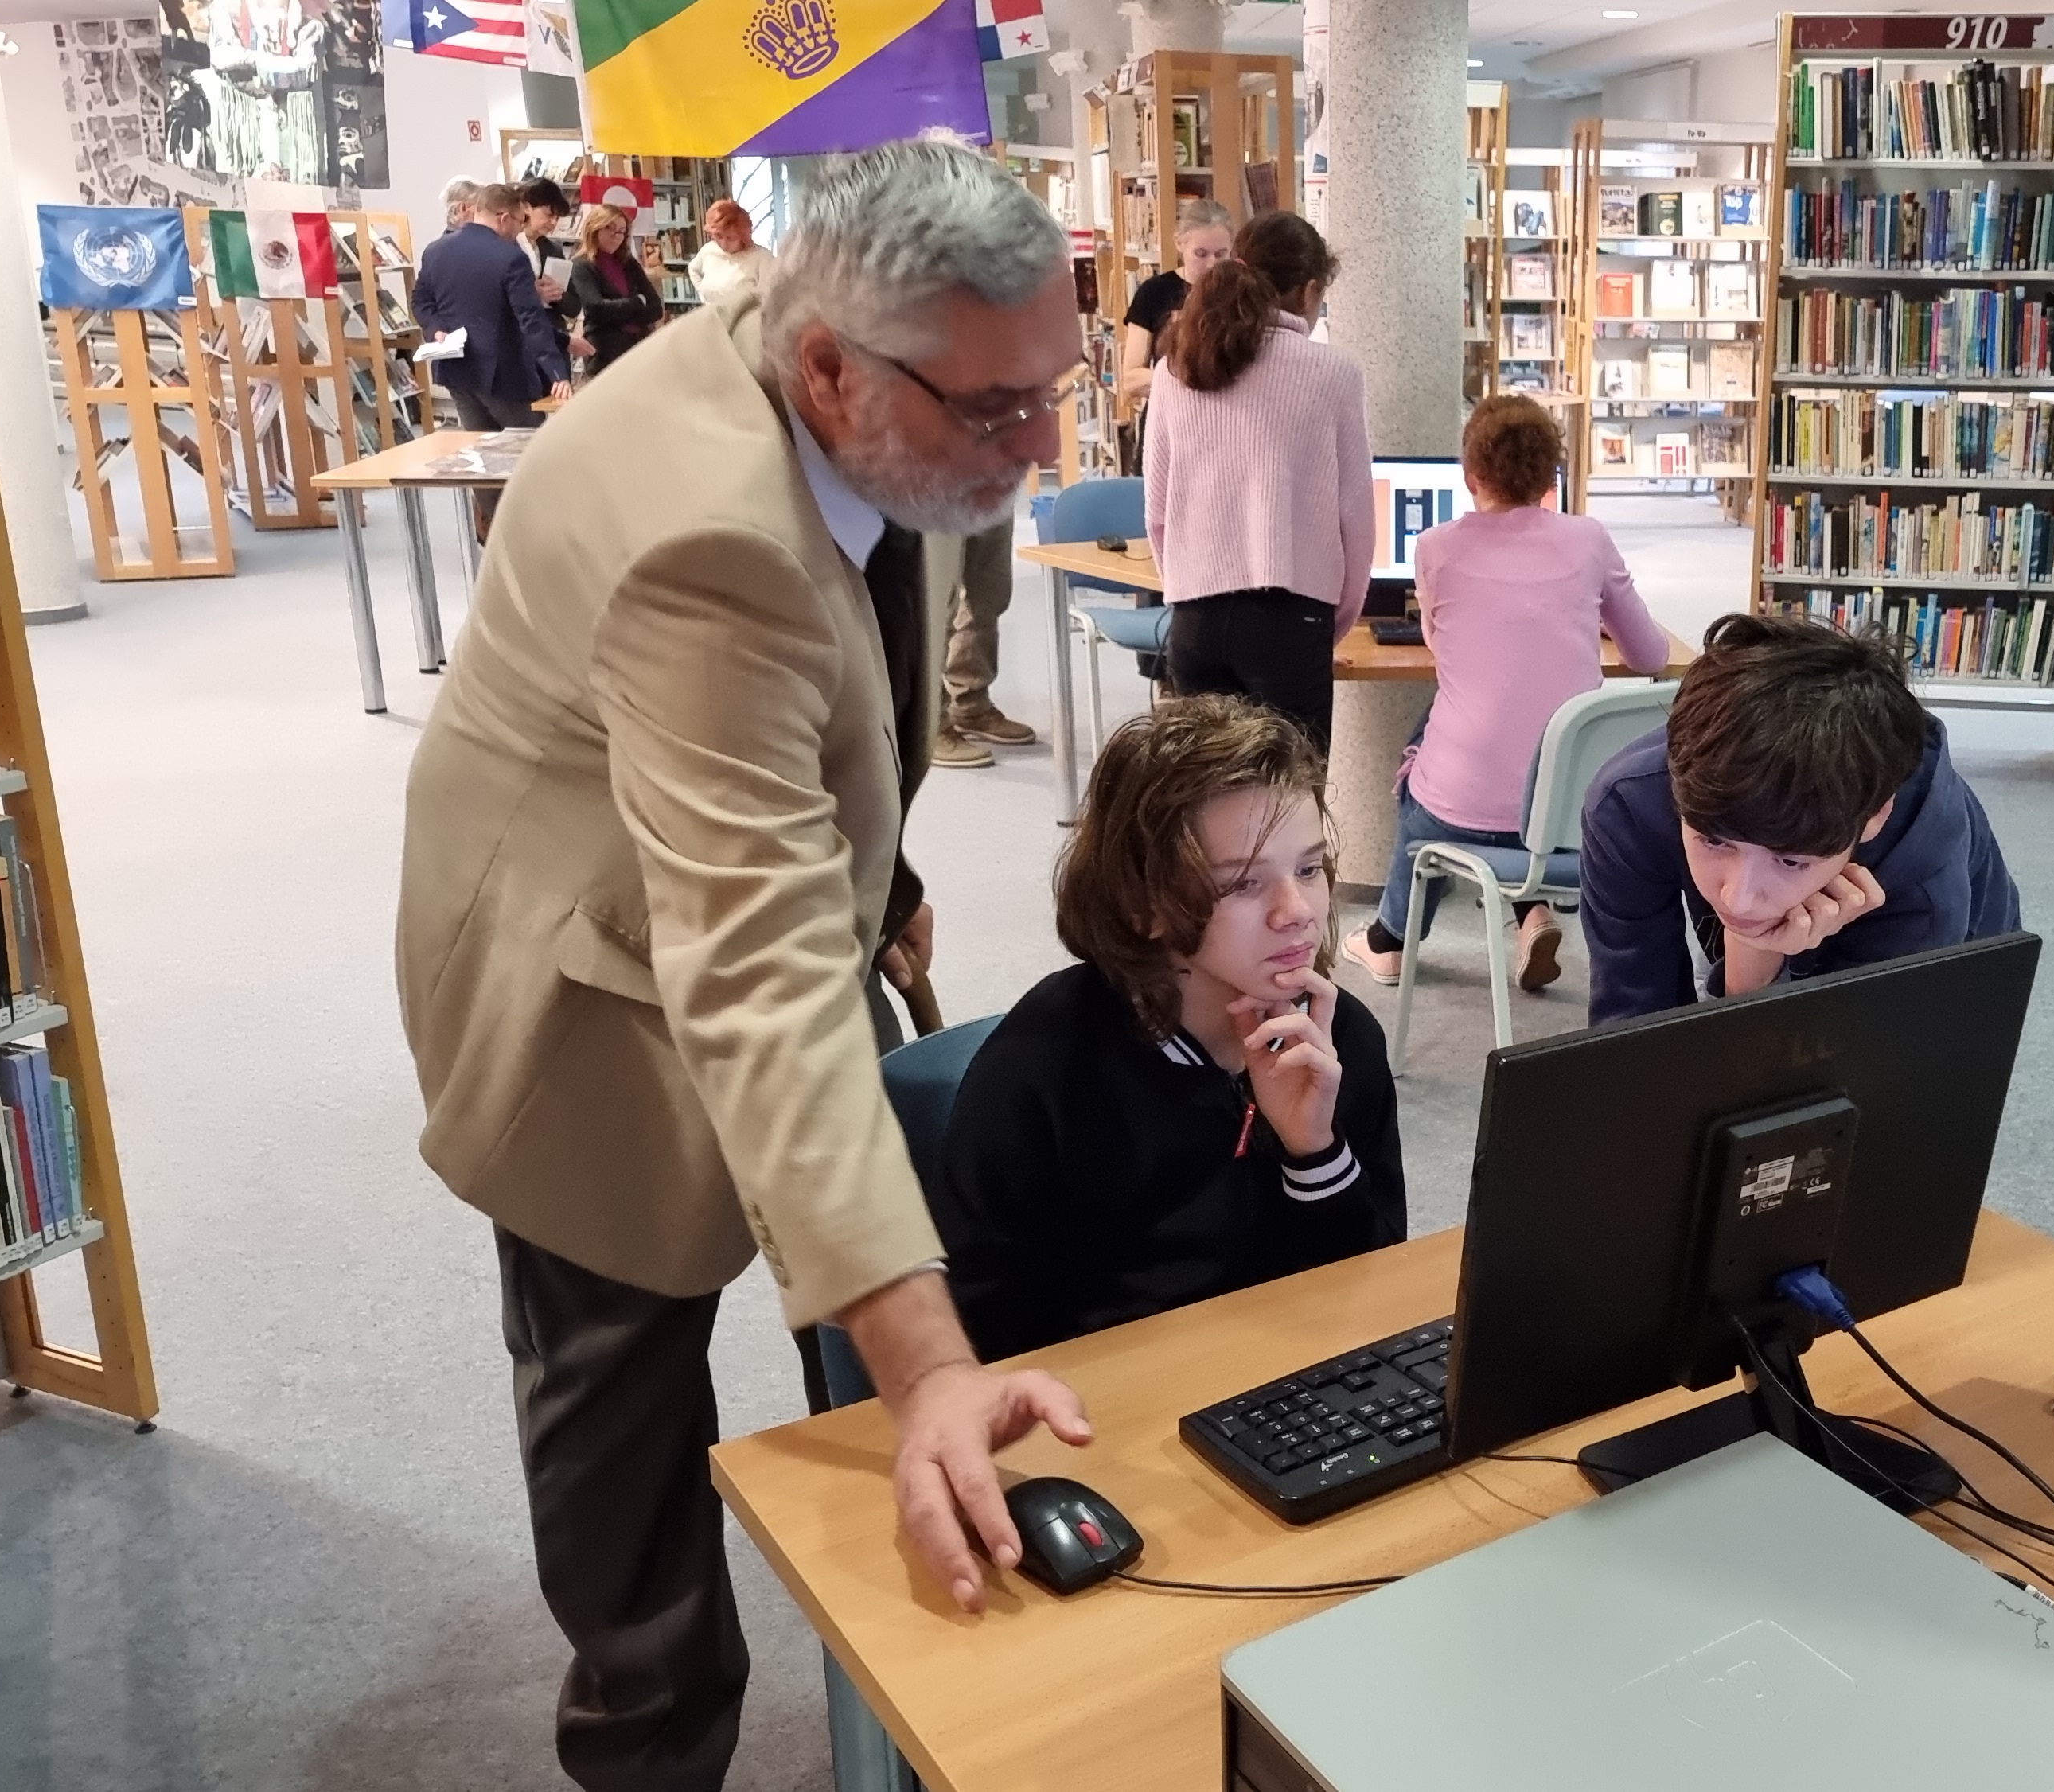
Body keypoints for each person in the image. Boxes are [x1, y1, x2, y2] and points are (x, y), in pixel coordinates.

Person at [394, 136, 1087, 1790]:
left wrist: (880, 865)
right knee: (622, 1404)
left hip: (736, 864)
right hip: (575, 978)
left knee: (851, 1318)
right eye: (1000, 410)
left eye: (1057, 389)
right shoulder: (706, 537)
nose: (1043, 445)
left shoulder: (855, 368)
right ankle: (646, 1741)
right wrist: (935, 1365)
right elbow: (758, 974)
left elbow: (830, 683)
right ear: (830, 367)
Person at [930, 695, 1405, 1362]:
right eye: (1243, 885)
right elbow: (981, 1330)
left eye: (1308, 869)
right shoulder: (1044, 1065)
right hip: (1113, 1403)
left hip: (1289, 1391)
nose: (1297, 910)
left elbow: (1374, 1296)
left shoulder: (1338, 1038)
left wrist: (1315, 1153)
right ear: (1143, 904)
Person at [1342, 395, 1666, 995]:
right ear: (1550, 478)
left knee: (1423, 764)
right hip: (1568, 817)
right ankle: (1531, 910)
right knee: (1499, 740)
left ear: (1470, 474)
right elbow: (1650, 656)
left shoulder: (1435, 546)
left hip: (1458, 815)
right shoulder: (1590, 540)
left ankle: (1391, 940)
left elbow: (1442, 647)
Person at [1577, 614, 2024, 1027]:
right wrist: (1752, 947)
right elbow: (1630, 1026)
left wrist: (1752, 962)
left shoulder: (1923, 883)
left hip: (1953, 959)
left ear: (1874, 818)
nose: (1739, 900)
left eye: (1791, 861)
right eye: (1713, 840)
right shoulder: (1627, 803)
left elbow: (1836, 1070)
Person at [1143, 211, 1371, 752]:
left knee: (1205, 790)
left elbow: (1156, 509)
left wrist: (1186, 587)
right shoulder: (1335, 373)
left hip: (1194, 618)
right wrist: (1333, 620)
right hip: (1292, 618)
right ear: (1310, 291)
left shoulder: (1175, 369)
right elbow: (1355, 517)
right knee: (1291, 790)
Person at [409, 181, 571, 536]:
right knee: (527, 454)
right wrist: (556, 370)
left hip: (457, 368)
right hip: (505, 372)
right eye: (519, 221)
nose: (519, 231)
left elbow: (420, 301)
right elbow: (530, 319)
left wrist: (436, 329)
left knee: (480, 454)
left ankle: (494, 529)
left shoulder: (437, 250)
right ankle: (533, 533)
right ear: (503, 218)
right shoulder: (510, 257)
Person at [925, 515, 1036, 767]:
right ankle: (930, 725)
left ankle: (971, 705)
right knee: (936, 601)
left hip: (992, 494)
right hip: (934, 495)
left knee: (990, 592)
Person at [1114, 198, 1232, 413]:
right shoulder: (1154, 292)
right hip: (1168, 415)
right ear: (1180, 244)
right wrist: (1190, 381)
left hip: (1226, 416)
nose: (1211, 265)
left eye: (1221, 255)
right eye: (1201, 254)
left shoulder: (1240, 293)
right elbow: (1131, 378)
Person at [571, 201, 665, 373]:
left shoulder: (629, 263)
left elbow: (656, 309)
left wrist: (617, 311)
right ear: (595, 229)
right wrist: (637, 303)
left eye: (622, 231)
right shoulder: (582, 265)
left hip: (639, 347)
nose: (616, 236)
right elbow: (597, 309)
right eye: (610, 229)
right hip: (605, 353)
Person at [517, 175, 585, 341]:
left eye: (557, 218)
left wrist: (557, 295)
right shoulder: (508, 244)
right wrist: (535, 294)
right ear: (526, 206)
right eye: (549, 215)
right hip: (520, 335)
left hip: (552, 334)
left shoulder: (552, 249)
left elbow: (574, 307)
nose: (553, 223)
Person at [691, 197, 778, 306]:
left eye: (731, 238)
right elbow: (693, 269)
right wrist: (703, 296)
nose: (724, 243)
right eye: (719, 236)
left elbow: (769, 300)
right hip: (712, 314)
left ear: (743, 236)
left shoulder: (763, 258)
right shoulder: (709, 250)